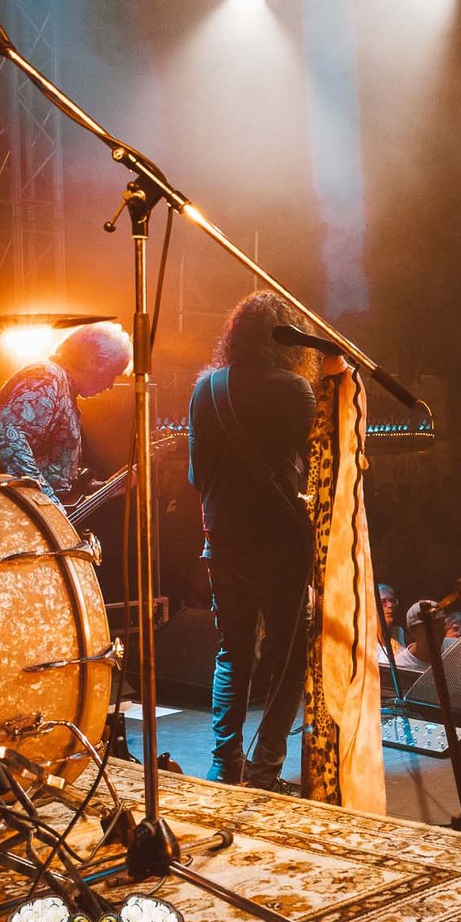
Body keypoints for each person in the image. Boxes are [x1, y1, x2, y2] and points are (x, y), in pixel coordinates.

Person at [187, 292, 333, 788]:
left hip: (223, 540)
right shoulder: (294, 389)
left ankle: (224, 762)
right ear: (287, 340)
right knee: (288, 658)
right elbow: (318, 467)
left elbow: (195, 476)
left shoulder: (205, 389)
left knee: (233, 651)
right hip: (279, 544)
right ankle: (266, 767)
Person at [0, 321, 132, 502]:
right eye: (112, 374)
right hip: (20, 513)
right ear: (94, 361)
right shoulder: (46, 376)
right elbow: (6, 435)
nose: (110, 385)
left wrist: (104, 488)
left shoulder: (63, 387)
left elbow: (57, 476)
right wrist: (47, 502)